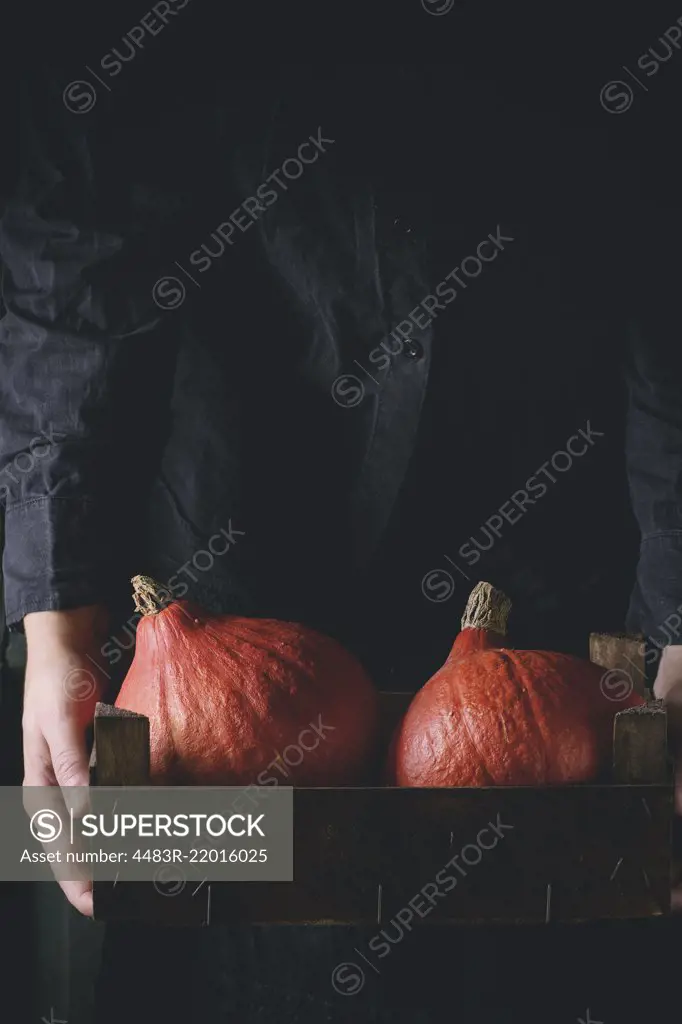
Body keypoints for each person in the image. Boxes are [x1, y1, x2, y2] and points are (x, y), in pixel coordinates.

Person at [3, 43, 682, 1023]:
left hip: (554, 496)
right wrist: (59, 613)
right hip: (231, 508)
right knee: (229, 939)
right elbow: (65, 213)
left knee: (552, 924)